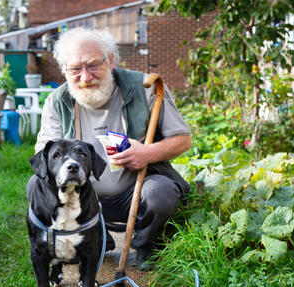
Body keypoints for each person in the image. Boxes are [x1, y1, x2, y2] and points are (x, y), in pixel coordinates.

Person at [28, 28, 191, 270]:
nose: (85, 76)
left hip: (133, 194)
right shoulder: (58, 101)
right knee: (35, 184)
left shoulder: (145, 88)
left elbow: (182, 139)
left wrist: (147, 153)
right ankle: (79, 242)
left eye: (93, 65)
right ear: (65, 70)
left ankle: (146, 246)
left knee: (161, 192)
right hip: (80, 198)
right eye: (75, 69)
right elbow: (44, 160)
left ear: (111, 61)